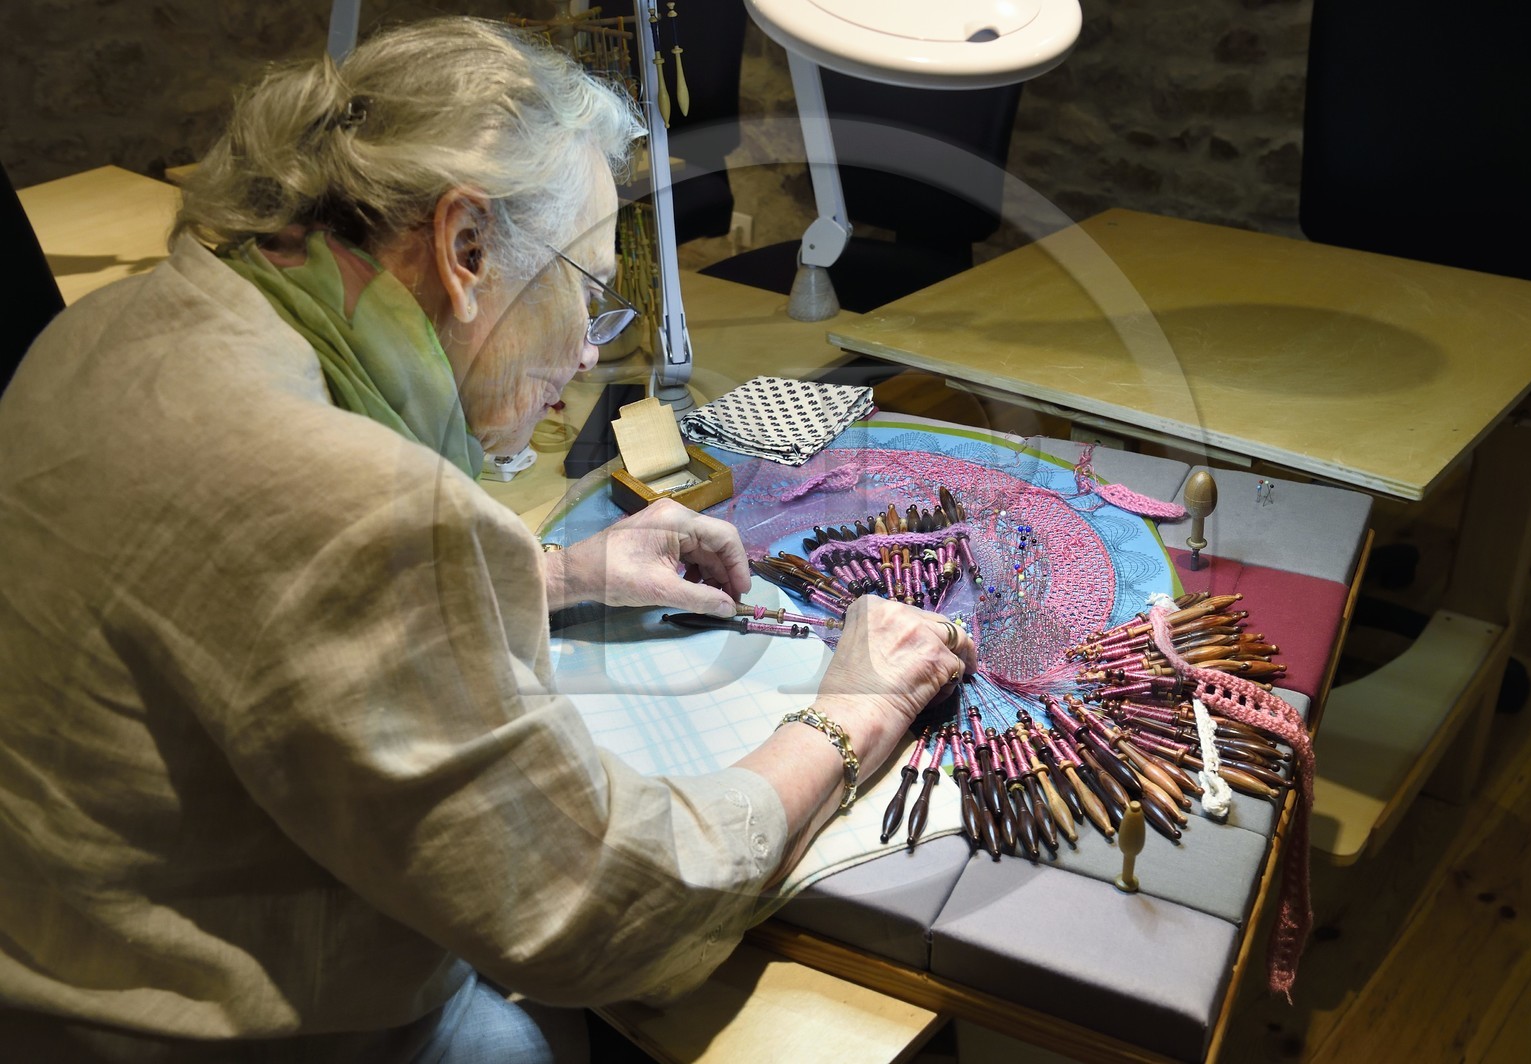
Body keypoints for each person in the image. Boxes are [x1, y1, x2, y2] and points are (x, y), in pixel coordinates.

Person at [0, 17, 973, 1063]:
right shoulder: (365, 503)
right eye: (593, 297)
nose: (590, 358)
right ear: (467, 250)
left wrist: (556, 571)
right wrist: (851, 713)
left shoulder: (116, 322)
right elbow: (600, 904)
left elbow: (240, 589)